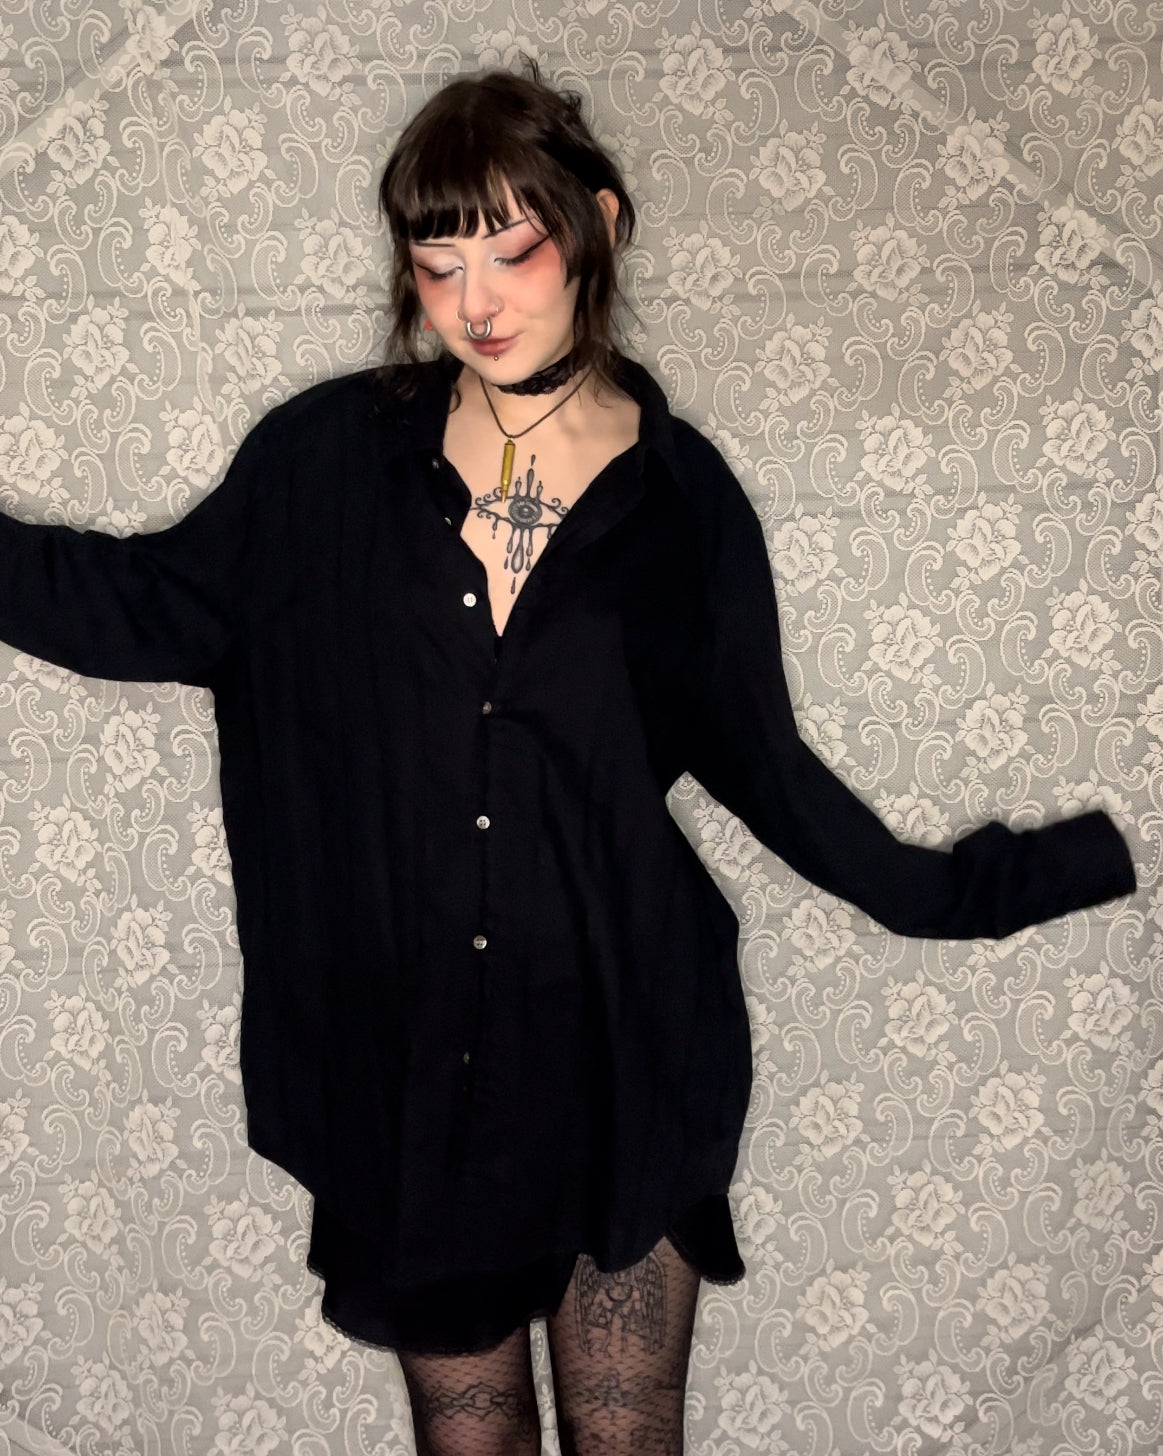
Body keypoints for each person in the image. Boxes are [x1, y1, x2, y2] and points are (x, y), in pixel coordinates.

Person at [0, 56, 1138, 1456]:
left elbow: (770, 773)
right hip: (409, 1075)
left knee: (627, 1435)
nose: (475, 300)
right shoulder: (323, 467)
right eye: (437, 262)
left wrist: (1004, 881)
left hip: (622, 1049)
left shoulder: (682, 506)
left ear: (598, 225)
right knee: (471, 1443)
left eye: (513, 249)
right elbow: (137, 604)